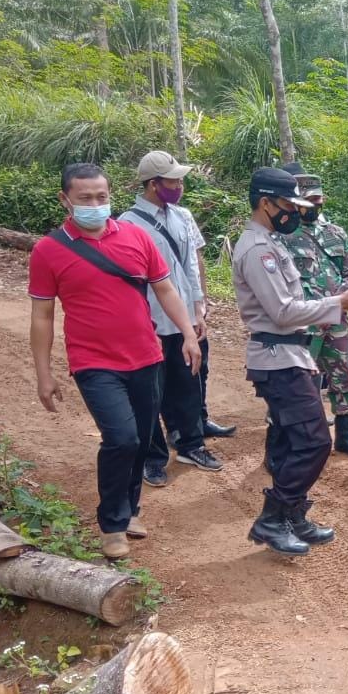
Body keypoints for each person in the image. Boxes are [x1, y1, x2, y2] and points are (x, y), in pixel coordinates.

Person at [29, 163, 201, 559]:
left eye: (101, 197)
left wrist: (189, 333)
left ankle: (131, 509)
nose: (95, 204)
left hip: (146, 355)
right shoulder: (49, 250)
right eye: (85, 198)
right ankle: (111, 524)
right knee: (121, 438)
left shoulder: (136, 238)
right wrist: (43, 372)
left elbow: (166, 290)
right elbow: (42, 316)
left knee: (140, 441)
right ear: (65, 199)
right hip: (93, 362)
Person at [233, 167, 348, 556]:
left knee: (302, 438)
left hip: (291, 354)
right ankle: (272, 518)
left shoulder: (271, 241)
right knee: (314, 442)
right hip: (277, 356)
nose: (294, 212)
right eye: (287, 205)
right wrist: (337, 303)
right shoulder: (259, 250)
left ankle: (291, 514)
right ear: (266, 203)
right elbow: (281, 310)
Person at [119, 150, 224, 488]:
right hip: (149, 322)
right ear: (153, 185)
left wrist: (200, 307)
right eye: (173, 180)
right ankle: (152, 458)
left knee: (189, 383)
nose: (179, 185)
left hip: (185, 319)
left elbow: (193, 264)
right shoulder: (127, 224)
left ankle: (191, 444)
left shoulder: (183, 216)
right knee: (150, 393)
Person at [278, 165, 348, 460]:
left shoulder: (335, 233)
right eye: (310, 201)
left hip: (338, 321)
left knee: (343, 375)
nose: (316, 206)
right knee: (295, 383)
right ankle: (282, 444)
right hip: (302, 325)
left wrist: (344, 297)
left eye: (319, 200)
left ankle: (345, 435)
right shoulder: (282, 238)